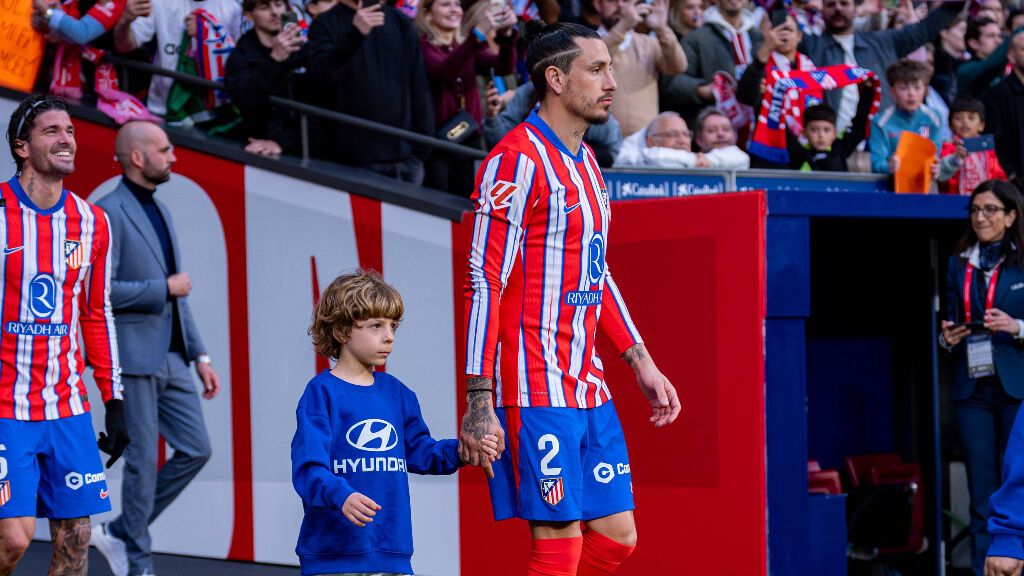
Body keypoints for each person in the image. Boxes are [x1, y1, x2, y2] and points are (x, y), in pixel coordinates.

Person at [460, 21, 681, 576]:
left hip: (587, 383)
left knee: (618, 538)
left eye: (610, 68)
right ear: (555, 79)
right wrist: (479, 400)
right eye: (597, 69)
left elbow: (596, 275)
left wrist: (641, 362)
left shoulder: (587, 163)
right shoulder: (515, 162)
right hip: (534, 386)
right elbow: (483, 280)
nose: (612, 82)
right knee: (559, 548)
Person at [292, 270, 498, 576]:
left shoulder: (398, 393)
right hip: (333, 557)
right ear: (341, 331)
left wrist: (464, 450)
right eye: (376, 326)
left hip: (393, 554)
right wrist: (341, 495)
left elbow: (421, 452)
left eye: (393, 326)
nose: (389, 336)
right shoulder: (321, 393)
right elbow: (308, 470)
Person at [0, 94, 129, 575]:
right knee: (13, 539)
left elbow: (97, 313)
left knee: (77, 540)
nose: (66, 139)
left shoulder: (93, 222)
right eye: (51, 131)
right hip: (5, 404)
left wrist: (113, 401)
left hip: (66, 406)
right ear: (22, 147)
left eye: (70, 130)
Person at [89, 121, 220, 576]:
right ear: (138, 157)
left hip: (171, 356)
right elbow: (97, 291)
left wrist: (200, 355)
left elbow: (177, 296)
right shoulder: (105, 213)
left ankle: (124, 531)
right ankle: (138, 562)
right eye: (164, 150)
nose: (174, 156)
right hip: (132, 356)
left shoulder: (160, 211)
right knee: (143, 462)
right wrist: (159, 287)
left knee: (197, 449)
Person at [938, 180, 1024, 576]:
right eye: (975, 210)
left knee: (1016, 490)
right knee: (981, 495)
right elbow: (951, 315)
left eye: (990, 210)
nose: (980, 218)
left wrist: (1017, 326)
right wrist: (947, 336)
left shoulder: (1022, 260)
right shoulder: (958, 261)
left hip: (1015, 387)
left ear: (1010, 216)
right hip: (972, 388)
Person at [306, 0, 434, 184]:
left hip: (404, 158)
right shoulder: (324, 23)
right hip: (351, 160)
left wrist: (421, 149)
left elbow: (419, 87)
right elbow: (322, 76)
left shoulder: (401, 21)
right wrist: (356, 33)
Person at [797, 0, 963, 134]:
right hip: (829, 145)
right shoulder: (811, 46)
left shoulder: (883, 42)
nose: (838, 9)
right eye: (830, 5)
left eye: (844, 3)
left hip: (879, 143)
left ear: (856, 8)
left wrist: (956, 4)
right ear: (822, 9)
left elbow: (924, 29)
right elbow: (784, 27)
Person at [416, 0, 517, 193]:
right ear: (427, 14)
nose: (455, 10)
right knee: (438, 204)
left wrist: (506, 36)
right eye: (446, 5)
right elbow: (445, 71)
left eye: (457, 4)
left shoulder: (463, 47)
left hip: (470, 138)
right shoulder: (423, 47)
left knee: (466, 204)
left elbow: (504, 66)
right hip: (438, 144)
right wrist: (476, 35)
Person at [112, 0, 243, 116]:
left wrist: (208, 35)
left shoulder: (232, 7)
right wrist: (125, 20)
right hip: (160, 110)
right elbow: (124, 46)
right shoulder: (159, 2)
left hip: (210, 116)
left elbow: (241, 60)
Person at [225, 0, 309, 157]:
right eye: (264, 7)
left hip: (306, 147)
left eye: (278, 4)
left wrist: (282, 141)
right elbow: (244, 99)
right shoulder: (240, 56)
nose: (275, 12)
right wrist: (274, 59)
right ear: (249, 15)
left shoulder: (301, 49)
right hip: (260, 148)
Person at [660, 0, 762, 124]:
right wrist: (700, 89)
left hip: (757, 128)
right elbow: (672, 82)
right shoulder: (696, 38)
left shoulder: (760, 37)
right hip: (711, 128)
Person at [594, 0, 686, 137]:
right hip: (601, 143)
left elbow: (678, 66)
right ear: (597, 4)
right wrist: (624, 25)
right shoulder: (588, 41)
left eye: (626, 0)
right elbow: (593, 58)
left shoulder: (648, 43)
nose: (620, 6)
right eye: (612, 0)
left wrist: (662, 29)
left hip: (645, 142)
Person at [483, 81, 623, 167]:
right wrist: (492, 117)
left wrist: (570, 149)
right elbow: (501, 143)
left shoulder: (583, 98)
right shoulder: (527, 94)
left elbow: (611, 152)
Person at [869, 59, 942, 175]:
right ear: (892, 91)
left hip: (924, 183)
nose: (911, 93)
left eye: (917, 87)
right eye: (903, 87)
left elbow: (936, 156)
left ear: (925, 90)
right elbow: (877, 162)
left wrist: (937, 167)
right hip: (891, 185)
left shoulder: (934, 118)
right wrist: (889, 166)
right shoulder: (880, 122)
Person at [614, 111, 745, 169]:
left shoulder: (702, 160)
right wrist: (694, 161)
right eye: (673, 134)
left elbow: (742, 158)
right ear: (652, 141)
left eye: (685, 134)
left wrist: (709, 161)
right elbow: (656, 157)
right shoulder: (637, 157)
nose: (682, 140)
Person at [938, 98, 1007, 195]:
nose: (965, 122)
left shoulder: (987, 150)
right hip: (952, 202)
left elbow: (997, 175)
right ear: (950, 125)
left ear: (981, 126)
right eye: (958, 118)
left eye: (971, 118)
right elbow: (940, 178)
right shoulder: (946, 147)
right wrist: (954, 158)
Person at [786, 96, 873, 172]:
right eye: (814, 130)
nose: (821, 135)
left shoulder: (840, 149)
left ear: (834, 133)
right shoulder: (799, 154)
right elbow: (782, 128)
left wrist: (867, 90)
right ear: (804, 133)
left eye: (826, 130)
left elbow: (859, 126)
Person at [983, 29, 1024, 180]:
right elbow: (995, 139)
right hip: (1013, 185)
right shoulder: (997, 95)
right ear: (1011, 56)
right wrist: (1011, 174)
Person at [957, 18, 1024, 100]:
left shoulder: (1001, 71)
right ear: (974, 44)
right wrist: (1020, 30)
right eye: (991, 36)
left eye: (999, 36)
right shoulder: (964, 69)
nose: (998, 41)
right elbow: (992, 64)